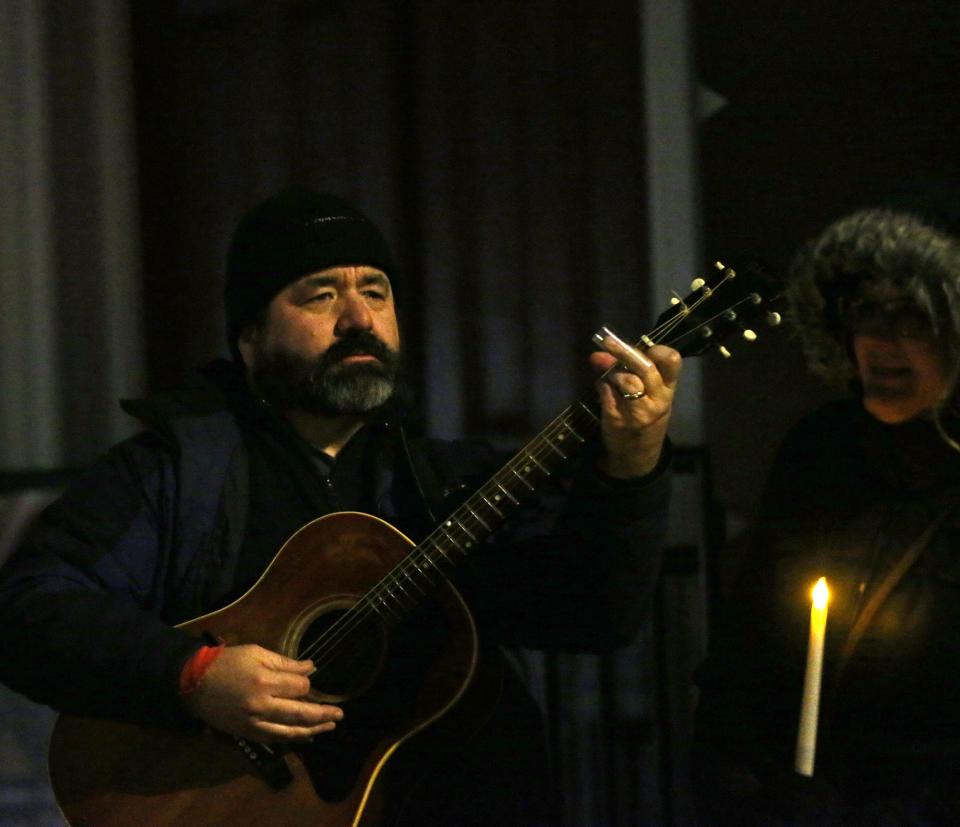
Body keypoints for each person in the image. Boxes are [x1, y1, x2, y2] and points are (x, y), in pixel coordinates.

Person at [0, 189, 680, 825]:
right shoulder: (179, 472)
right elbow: (28, 608)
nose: (359, 320)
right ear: (250, 337)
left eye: (376, 293)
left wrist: (632, 463)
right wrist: (192, 673)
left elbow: (594, 613)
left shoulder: (449, 482)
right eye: (321, 295)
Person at [692, 205, 960, 825]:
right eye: (867, 312)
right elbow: (748, 647)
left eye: (914, 317)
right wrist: (735, 781)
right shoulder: (821, 449)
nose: (883, 341)